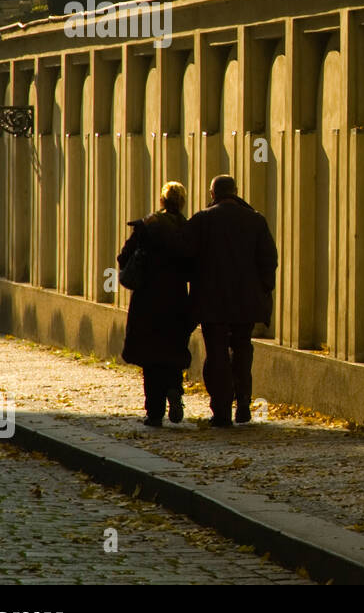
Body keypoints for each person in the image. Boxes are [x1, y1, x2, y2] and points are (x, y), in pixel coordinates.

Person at [187, 174, 278, 427]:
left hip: (211, 302)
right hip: (245, 303)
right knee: (242, 349)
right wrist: (262, 290)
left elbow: (186, 256)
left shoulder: (202, 220)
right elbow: (269, 260)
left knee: (215, 353)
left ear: (212, 194)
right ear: (236, 192)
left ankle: (222, 410)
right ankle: (244, 405)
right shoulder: (255, 220)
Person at [117, 181, 196, 427]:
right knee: (172, 350)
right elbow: (194, 265)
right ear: (181, 203)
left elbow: (123, 257)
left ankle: (154, 412)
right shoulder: (187, 228)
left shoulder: (147, 225)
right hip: (175, 299)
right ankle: (174, 389)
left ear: (161, 201)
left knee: (150, 356)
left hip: (147, 300)